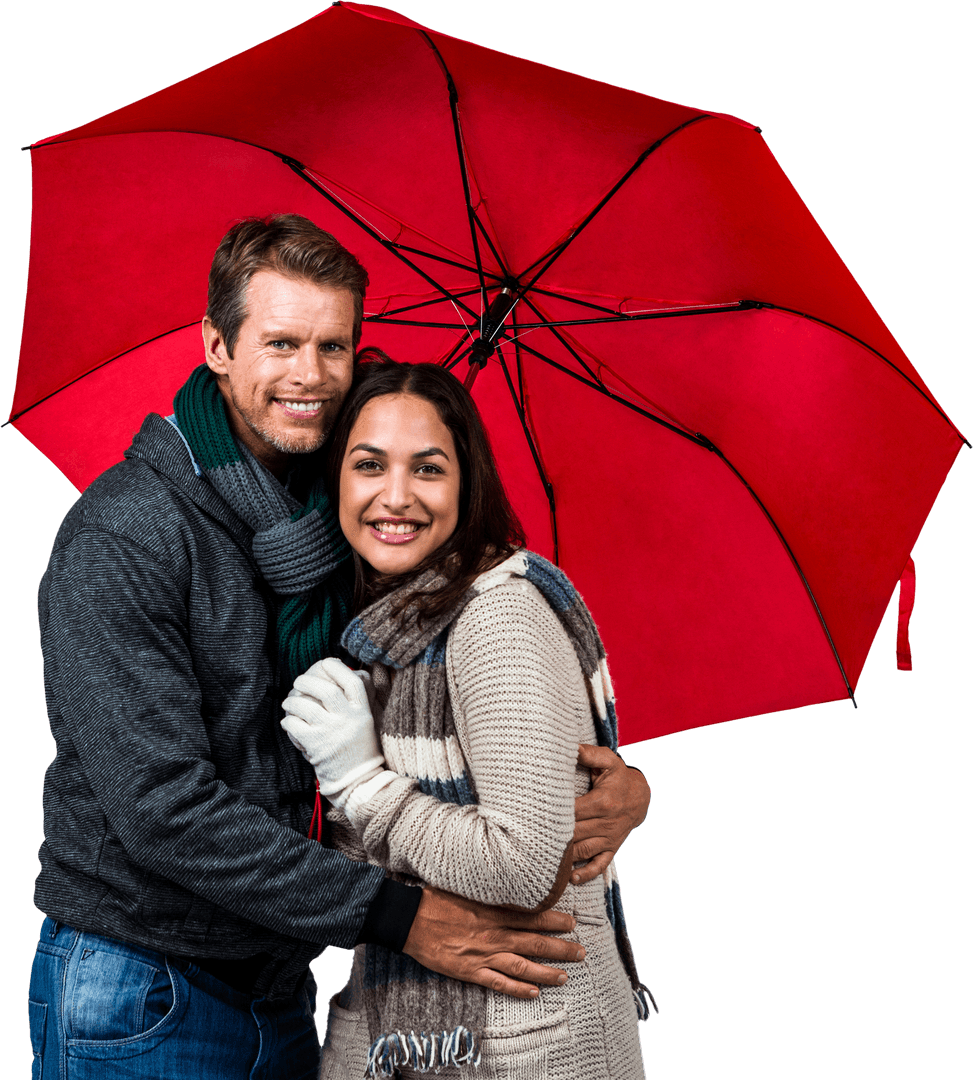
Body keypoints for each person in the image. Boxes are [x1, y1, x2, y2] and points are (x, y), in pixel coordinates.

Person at [27, 214, 651, 1079]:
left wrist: (611, 786)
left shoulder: (343, 523)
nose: (309, 376)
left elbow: (444, 736)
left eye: (333, 347)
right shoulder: (126, 534)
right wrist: (400, 916)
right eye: (280, 343)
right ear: (216, 345)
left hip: (282, 986)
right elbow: (163, 809)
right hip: (144, 983)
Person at [282, 359, 652, 1079]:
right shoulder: (380, 632)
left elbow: (522, 865)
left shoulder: (496, 616)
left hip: (528, 1044)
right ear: (335, 481)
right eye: (368, 465)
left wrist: (362, 782)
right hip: (393, 1032)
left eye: (427, 469)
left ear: (464, 484)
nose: (395, 497)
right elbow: (364, 869)